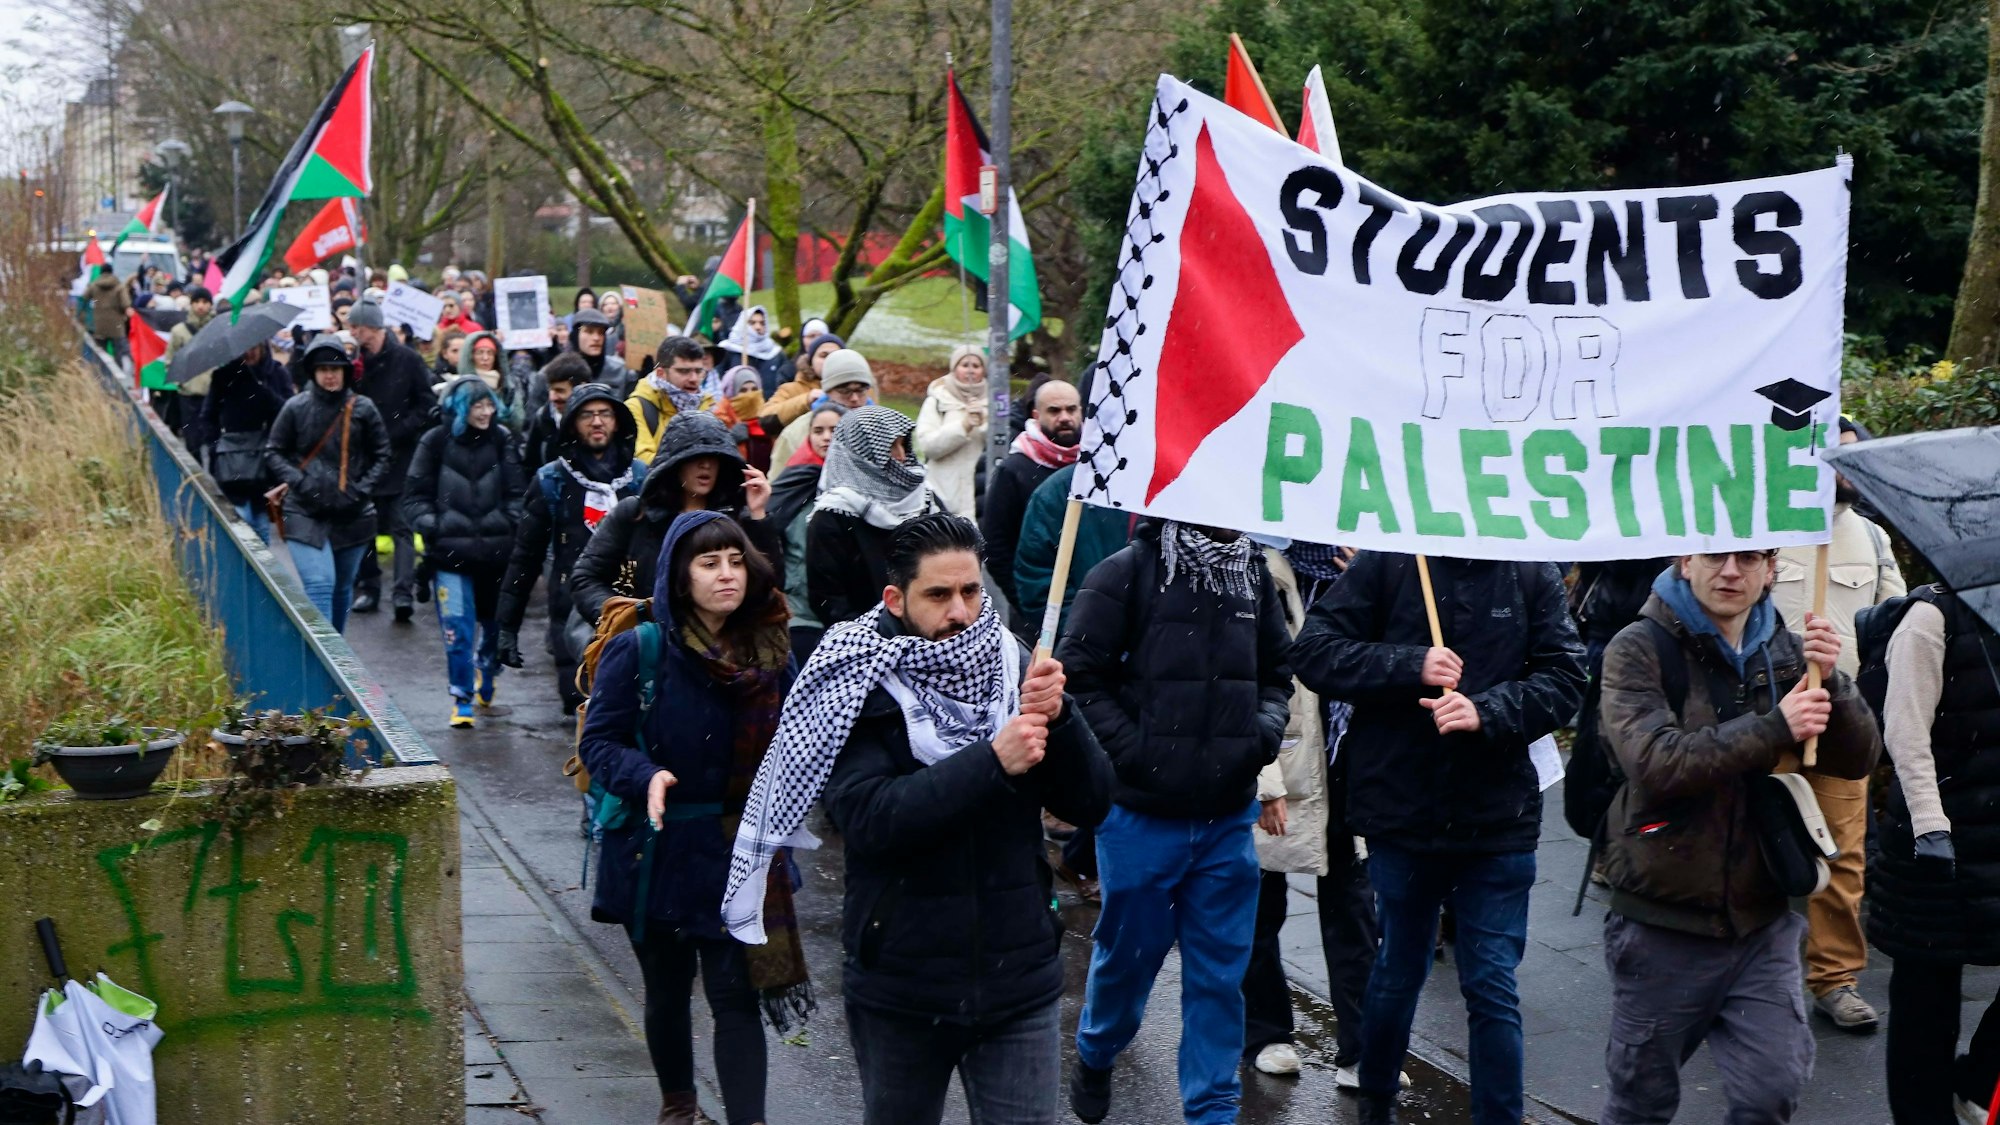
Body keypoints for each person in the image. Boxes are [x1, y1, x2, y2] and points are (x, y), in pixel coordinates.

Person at [720, 512, 1111, 1125]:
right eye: (938, 594)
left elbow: (1093, 803)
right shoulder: (856, 675)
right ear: (896, 599)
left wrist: (1059, 719)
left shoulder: (1014, 664)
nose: (960, 612)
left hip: (1019, 977)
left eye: (971, 591)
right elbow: (869, 820)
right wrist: (991, 760)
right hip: (902, 982)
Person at [1289, 553, 1586, 1125]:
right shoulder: (1389, 560)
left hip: (1498, 814)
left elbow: (1566, 676)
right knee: (1400, 965)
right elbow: (1314, 651)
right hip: (1403, 809)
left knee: (1492, 983)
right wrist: (1411, 663)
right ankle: (1375, 1100)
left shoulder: (1527, 569)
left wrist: (1488, 710)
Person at [1595, 551, 1879, 1123]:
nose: (1731, 572)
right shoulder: (1638, 647)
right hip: (1662, 920)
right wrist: (1774, 727)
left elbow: (1859, 759)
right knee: (1640, 1104)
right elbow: (1655, 762)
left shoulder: (1788, 648)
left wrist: (1834, 681)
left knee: (1771, 1092)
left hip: (1761, 920)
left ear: (1771, 569)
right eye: (1715, 555)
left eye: (1749, 558)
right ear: (1686, 560)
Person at [1057, 520, 1295, 1125]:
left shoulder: (1252, 575)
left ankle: (1212, 1111)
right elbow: (1077, 676)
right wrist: (1135, 753)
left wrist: (1259, 737)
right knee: (1128, 962)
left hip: (1226, 820)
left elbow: (1276, 673)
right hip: (1140, 819)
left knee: (1219, 977)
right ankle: (1098, 1050)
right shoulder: (1125, 571)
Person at [579, 510, 806, 1125]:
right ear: (680, 576)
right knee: (668, 990)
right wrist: (645, 775)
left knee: (736, 998)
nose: (727, 574)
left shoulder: (772, 650)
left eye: (735, 561)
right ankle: (679, 1108)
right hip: (658, 849)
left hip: (742, 849)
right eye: (709, 563)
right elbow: (599, 742)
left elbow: (800, 742)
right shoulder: (642, 648)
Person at [1769, 418, 1905, 1033]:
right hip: (1767, 720)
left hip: (1844, 722)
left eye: (1854, 457)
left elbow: (1896, 624)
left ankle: (1835, 978)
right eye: (1834, 456)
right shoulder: (1766, 531)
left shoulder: (1873, 539)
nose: (1845, 468)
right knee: (1750, 841)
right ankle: (1744, 970)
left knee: (1843, 854)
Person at [1867, 582, 2000, 1123]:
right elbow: (1905, 729)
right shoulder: (1931, 616)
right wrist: (1929, 823)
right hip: (1932, 845)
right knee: (1925, 1009)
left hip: (1993, 837)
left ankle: (1977, 1081)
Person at [495, 384, 645, 715]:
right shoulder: (552, 480)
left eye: (605, 414)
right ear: (572, 425)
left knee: (628, 708)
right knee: (581, 705)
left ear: (617, 422)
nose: (597, 422)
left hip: (632, 610)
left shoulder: (639, 478)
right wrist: (507, 626)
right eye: (587, 415)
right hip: (572, 612)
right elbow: (526, 556)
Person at [570, 412, 780, 628]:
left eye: (714, 457)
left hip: (721, 641)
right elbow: (586, 578)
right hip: (649, 641)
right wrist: (627, 622)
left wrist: (758, 515)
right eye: (695, 457)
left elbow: (770, 588)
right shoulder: (635, 513)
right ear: (675, 463)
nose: (706, 465)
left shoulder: (736, 518)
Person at [402, 377, 526, 728]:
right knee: (457, 628)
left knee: (494, 627)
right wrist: (434, 525)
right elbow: (414, 495)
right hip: (449, 556)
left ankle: (488, 669)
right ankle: (461, 697)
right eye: (477, 406)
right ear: (459, 409)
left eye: (489, 405)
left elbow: (518, 491)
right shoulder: (435, 441)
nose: (485, 412)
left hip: (496, 556)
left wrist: (509, 522)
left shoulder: (502, 439)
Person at [263, 334, 392, 632]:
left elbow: (383, 455)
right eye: (323, 369)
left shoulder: (363, 408)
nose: (330, 375)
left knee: (341, 588)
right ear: (313, 372)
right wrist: (301, 482)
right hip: (304, 510)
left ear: (346, 371)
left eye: (335, 368)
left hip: (352, 513)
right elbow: (273, 452)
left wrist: (361, 490)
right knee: (320, 584)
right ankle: (323, 653)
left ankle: (336, 653)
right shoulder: (296, 407)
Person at [805, 406, 943, 628]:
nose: (901, 456)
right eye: (891, 447)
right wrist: (876, 636)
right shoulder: (833, 515)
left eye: (903, 445)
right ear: (862, 455)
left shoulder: (925, 500)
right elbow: (828, 599)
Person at [346, 300, 440, 621]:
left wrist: (398, 430)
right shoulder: (355, 362)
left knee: (402, 527)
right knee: (365, 525)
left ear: (370, 327)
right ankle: (369, 587)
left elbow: (426, 404)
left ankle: (402, 593)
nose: (351, 332)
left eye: (355, 327)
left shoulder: (407, 360)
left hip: (402, 456)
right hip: (365, 457)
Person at [979, 380, 1082, 626]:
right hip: (1034, 611)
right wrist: (1027, 603)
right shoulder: (1014, 470)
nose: (1065, 418)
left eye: (1071, 409)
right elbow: (996, 545)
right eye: (1054, 411)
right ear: (1036, 415)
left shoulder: (1096, 465)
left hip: (1088, 607)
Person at [189, 341, 294, 542]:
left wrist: (264, 392)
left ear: (263, 347)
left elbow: (289, 412)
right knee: (241, 520)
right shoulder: (224, 376)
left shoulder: (276, 374)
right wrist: (215, 446)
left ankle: (259, 562)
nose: (249, 352)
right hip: (232, 460)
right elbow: (208, 416)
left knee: (261, 523)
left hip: (265, 459)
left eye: (254, 347)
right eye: (245, 348)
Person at [1011, 462, 1128, 642]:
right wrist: (1085, 631)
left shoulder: (1164, 490)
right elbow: (1036, 578)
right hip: (1083, 646)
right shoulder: (1058, 492)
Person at [767, 405, 846, 668]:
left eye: (834, 430)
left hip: (849, 617)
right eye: (818, 431)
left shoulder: (867, 486)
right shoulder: (794, 481)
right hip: (799, 612)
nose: (826, 437)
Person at [913, 345, 989, 518]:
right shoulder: (937, 401)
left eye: (976, 366)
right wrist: (963, 427)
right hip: (942, 494)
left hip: (982, 498)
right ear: (954, 368)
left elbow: (1002, 445)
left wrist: (984, 422)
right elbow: (928, 446)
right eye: (965, 365)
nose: (970, 371)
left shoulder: (995, 403)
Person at [767, 346, 872, 469]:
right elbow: (779, 479)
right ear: (827, 391)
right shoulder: (796, 433)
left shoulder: (882, 427)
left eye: (861, 390)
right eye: (845, 391)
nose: (854, 398)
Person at [630, 336, 717, 465]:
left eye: (699, 371)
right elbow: (643, 460)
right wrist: (690, 469)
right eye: (684, 371)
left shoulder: (709, 406)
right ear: (661, 373)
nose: (694, 379)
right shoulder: (637, 407)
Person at [762, 333, 844, 435]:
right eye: (823, 355)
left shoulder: (858, 388)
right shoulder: (790, 389)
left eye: (836, 355)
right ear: (811, 362)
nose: (830, 360)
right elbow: (765, 418)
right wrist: (806, 400)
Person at [456, 330, 531, 433]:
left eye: (490, 353)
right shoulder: (460, 387)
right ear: (470, 356)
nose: (485, 358)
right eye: (480, 352)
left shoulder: (508, 386)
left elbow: (518, 421)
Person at [523, 352, 588, 471]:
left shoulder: (598, 421)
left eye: (560, 391)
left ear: (581, 388)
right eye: (551, 390)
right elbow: (530, 466)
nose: (552, 397)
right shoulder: (542, 419)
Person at [718, 304, 793, 396]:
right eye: (752, 323)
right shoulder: (727, 350)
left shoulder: (776, 353)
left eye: (762, 323)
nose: (758, 327)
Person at [563, 307, 634, 400]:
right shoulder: (558, 372)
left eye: (601, 333)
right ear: (576, 335)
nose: (596, 338)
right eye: (589, 331)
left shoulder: (621, 371)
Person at [86, 265, 130, 356]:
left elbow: (83, 299)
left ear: (101, 272)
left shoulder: (94, 285)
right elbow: (125, 304)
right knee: (119, 352)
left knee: (101, 353)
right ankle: (118, 364)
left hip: (99, 324)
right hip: (116, 325)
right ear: (112, 272)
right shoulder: (119, 286)